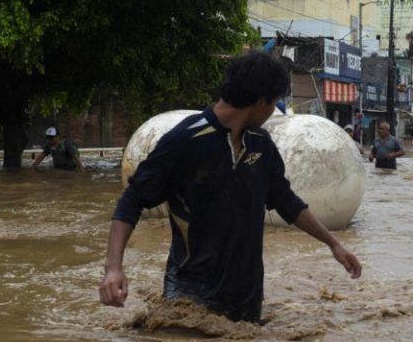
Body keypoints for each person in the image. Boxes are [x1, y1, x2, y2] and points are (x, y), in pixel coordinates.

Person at [99, 52, 362, 323]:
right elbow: (132, 199)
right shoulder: (185, 140)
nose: (273, 110)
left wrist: (333, 244)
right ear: (261, 102)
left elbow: (286, 201)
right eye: (274, 103)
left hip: (247, 294)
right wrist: (114, 268)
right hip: (190, 292)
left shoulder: (261, 143)